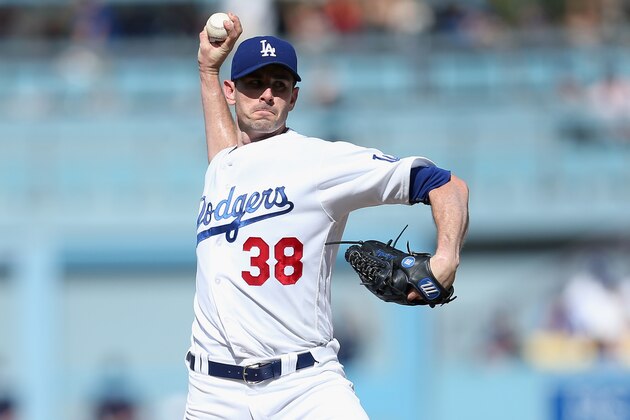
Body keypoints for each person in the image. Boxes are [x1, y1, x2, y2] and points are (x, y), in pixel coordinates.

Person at [184, 12, 469, 419]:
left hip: (304, 387)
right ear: (232, 92)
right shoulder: (224, 168)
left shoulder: (320, 162)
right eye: (253, 84)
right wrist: (207, 70)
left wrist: (446, 257)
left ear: (294, 97)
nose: (266, 94)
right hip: (213, 394)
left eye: (279, 85)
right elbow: (228, 159)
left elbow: (446, 184)